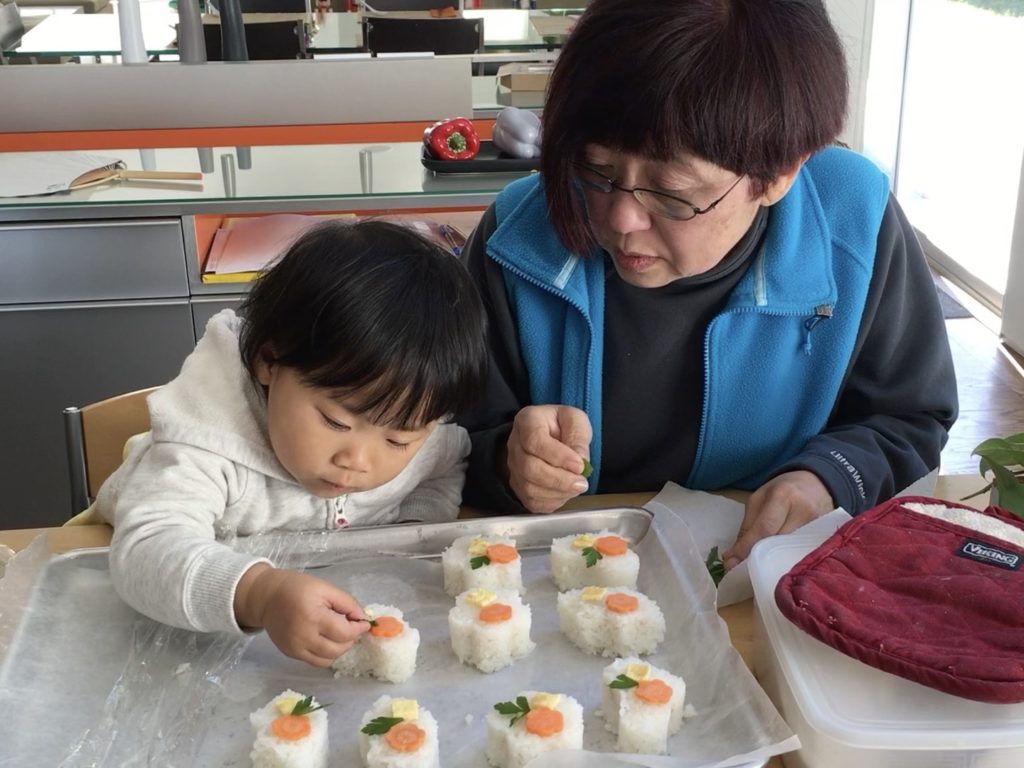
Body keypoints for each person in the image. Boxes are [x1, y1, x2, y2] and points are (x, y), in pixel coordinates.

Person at [458, 0, 958, 569]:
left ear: (779, 175)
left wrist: (828, 478)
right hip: (565, 584)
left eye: (672, 193)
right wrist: (505, 462)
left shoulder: (852, 221)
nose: (622, 219)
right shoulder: (516, 239)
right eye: (597, 172)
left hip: (767, 583)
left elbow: (910, 417)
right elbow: (431, 436)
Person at [96, 220, 488, 667]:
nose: (356, 461)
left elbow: (447, 461)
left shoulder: (427, 443)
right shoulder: (204, 448)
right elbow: (145, 551)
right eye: (336, 422)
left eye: (398, 439)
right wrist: (260, 595)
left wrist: (407, 538)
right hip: (163, 631)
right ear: (268, 360)